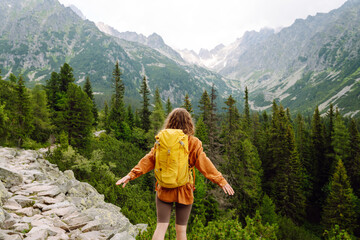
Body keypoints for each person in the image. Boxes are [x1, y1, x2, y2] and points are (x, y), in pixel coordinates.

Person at [116, 108, 234, 240]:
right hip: (184, 189)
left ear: (170, 122)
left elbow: (148, 160)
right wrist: (221, 181)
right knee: (181, 230)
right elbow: (205, 164)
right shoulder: (193, 142)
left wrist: (131, 175)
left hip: (164, 188)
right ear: (189, 123)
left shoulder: (161, 141)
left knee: (161, 226)